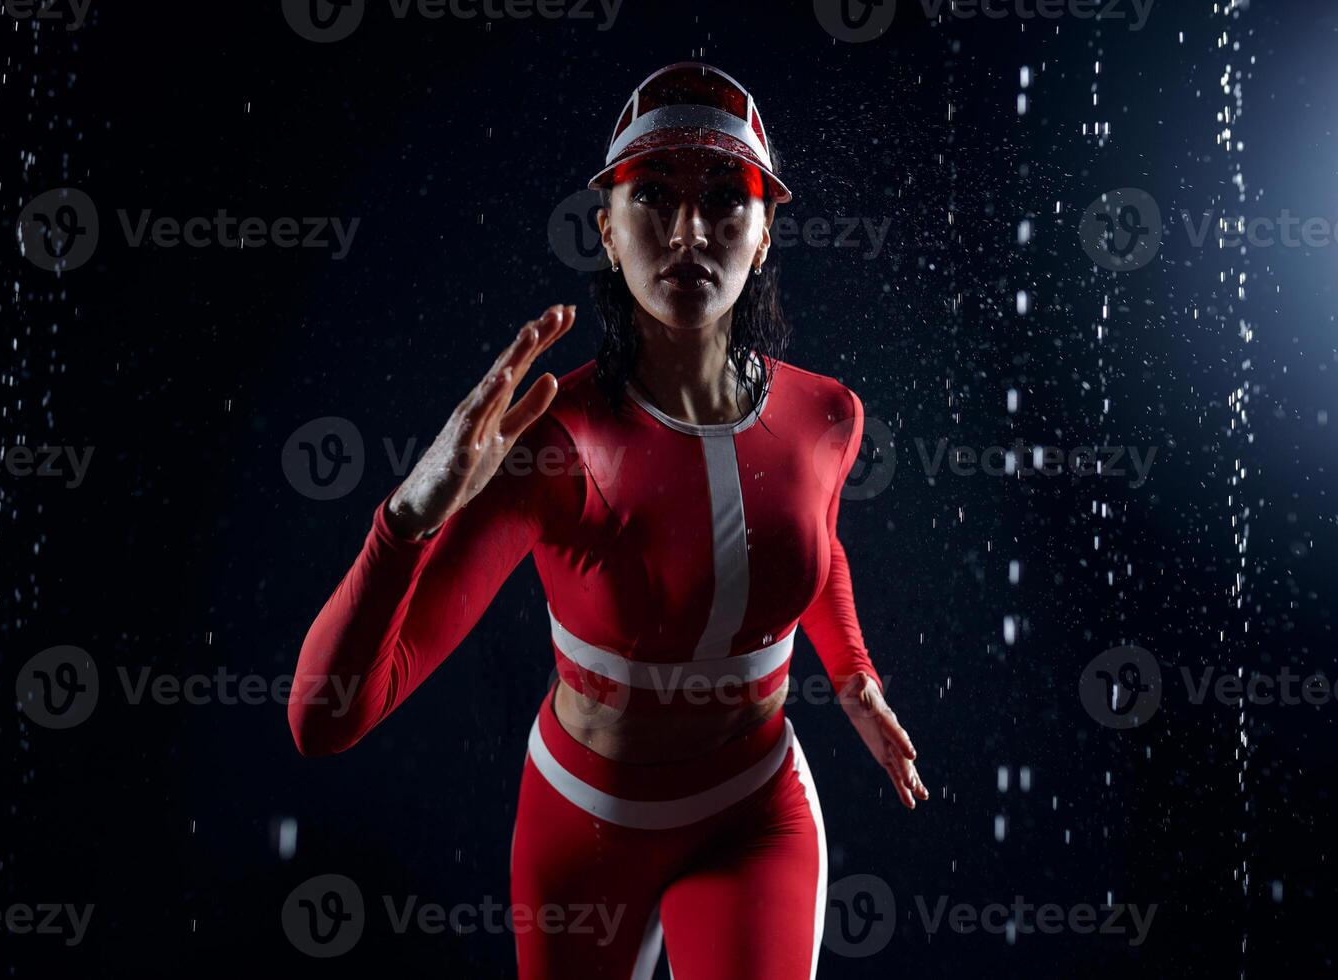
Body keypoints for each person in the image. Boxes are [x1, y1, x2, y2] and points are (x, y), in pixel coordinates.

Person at [289, 62, 928, 979]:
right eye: (654, 196)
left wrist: (856, 678)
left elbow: (810, 549)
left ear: (765, 236)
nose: (688, 231)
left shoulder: (830, 415)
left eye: (724, 198)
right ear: (607, 233)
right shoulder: (550, 444)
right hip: (584, 832)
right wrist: (408, 517)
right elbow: (325, 720)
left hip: (756, 816)